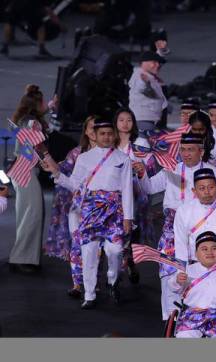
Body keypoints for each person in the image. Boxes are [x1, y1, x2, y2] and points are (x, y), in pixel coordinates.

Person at [42, 122, 134, 309]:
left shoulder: (123, 159)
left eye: (110, 133)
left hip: (114, 212)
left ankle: (112, 280)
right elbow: (75, 184)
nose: (106, 137)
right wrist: (57, 174)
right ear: (96, 135)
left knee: (115, 250)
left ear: (114, 135)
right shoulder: (84, 158)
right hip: (90, 210)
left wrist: (128, 217)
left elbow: (127, 189)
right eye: (102, 133)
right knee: (89, 252)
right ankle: (90, 294)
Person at [139, 132, 216, 320]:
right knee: (169, 274)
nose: (186, 153)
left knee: (198, 275)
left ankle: (196, 318)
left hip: (201, 230)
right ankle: (169, 320)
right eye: (183, 150)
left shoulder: (213, 172)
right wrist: (142, 172)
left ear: (201, 151)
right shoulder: (170, 169)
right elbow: (149, 188)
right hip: (171, 230)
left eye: (191, 150)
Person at [44, 116, 96, 298]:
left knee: (95, 249)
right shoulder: (77, 153)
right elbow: (63, 170)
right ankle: (77, 284)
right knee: (77, 245)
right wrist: (49, 162)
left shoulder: (109, 154)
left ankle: (92, 282)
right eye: (91, 127)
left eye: (98, 127)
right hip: (78, 207)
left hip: (100, 209)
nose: (94, 131)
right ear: (86, 131)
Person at [113, 108, 159, 283]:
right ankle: (117, 268)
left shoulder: (140, 142)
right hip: (115, 195)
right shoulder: (111, 142)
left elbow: (150, 166)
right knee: (117, 232)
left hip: (136, 193)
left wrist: (140, 168)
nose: (125, 123)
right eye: (121, 120)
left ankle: (130, 262)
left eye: (129, 120)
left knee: (133, 232)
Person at [9, 84, 48, 274]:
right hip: (26, 170)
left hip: (19, 169)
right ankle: (21, 258)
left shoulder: (25, 120)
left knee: (26, 213)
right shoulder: (33, 123)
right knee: (32, 214)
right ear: (38, 104)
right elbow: (39, 147)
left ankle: (23, 256)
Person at [128, 51, 168, 132]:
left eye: (158, 62)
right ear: (143, 63)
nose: (158, 65)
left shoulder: (149, 76)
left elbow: (158, 98)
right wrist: (147, 85)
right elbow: (142, 87)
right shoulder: (140, 76)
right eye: (154, 62)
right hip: (143, 121)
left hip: (149, 120)